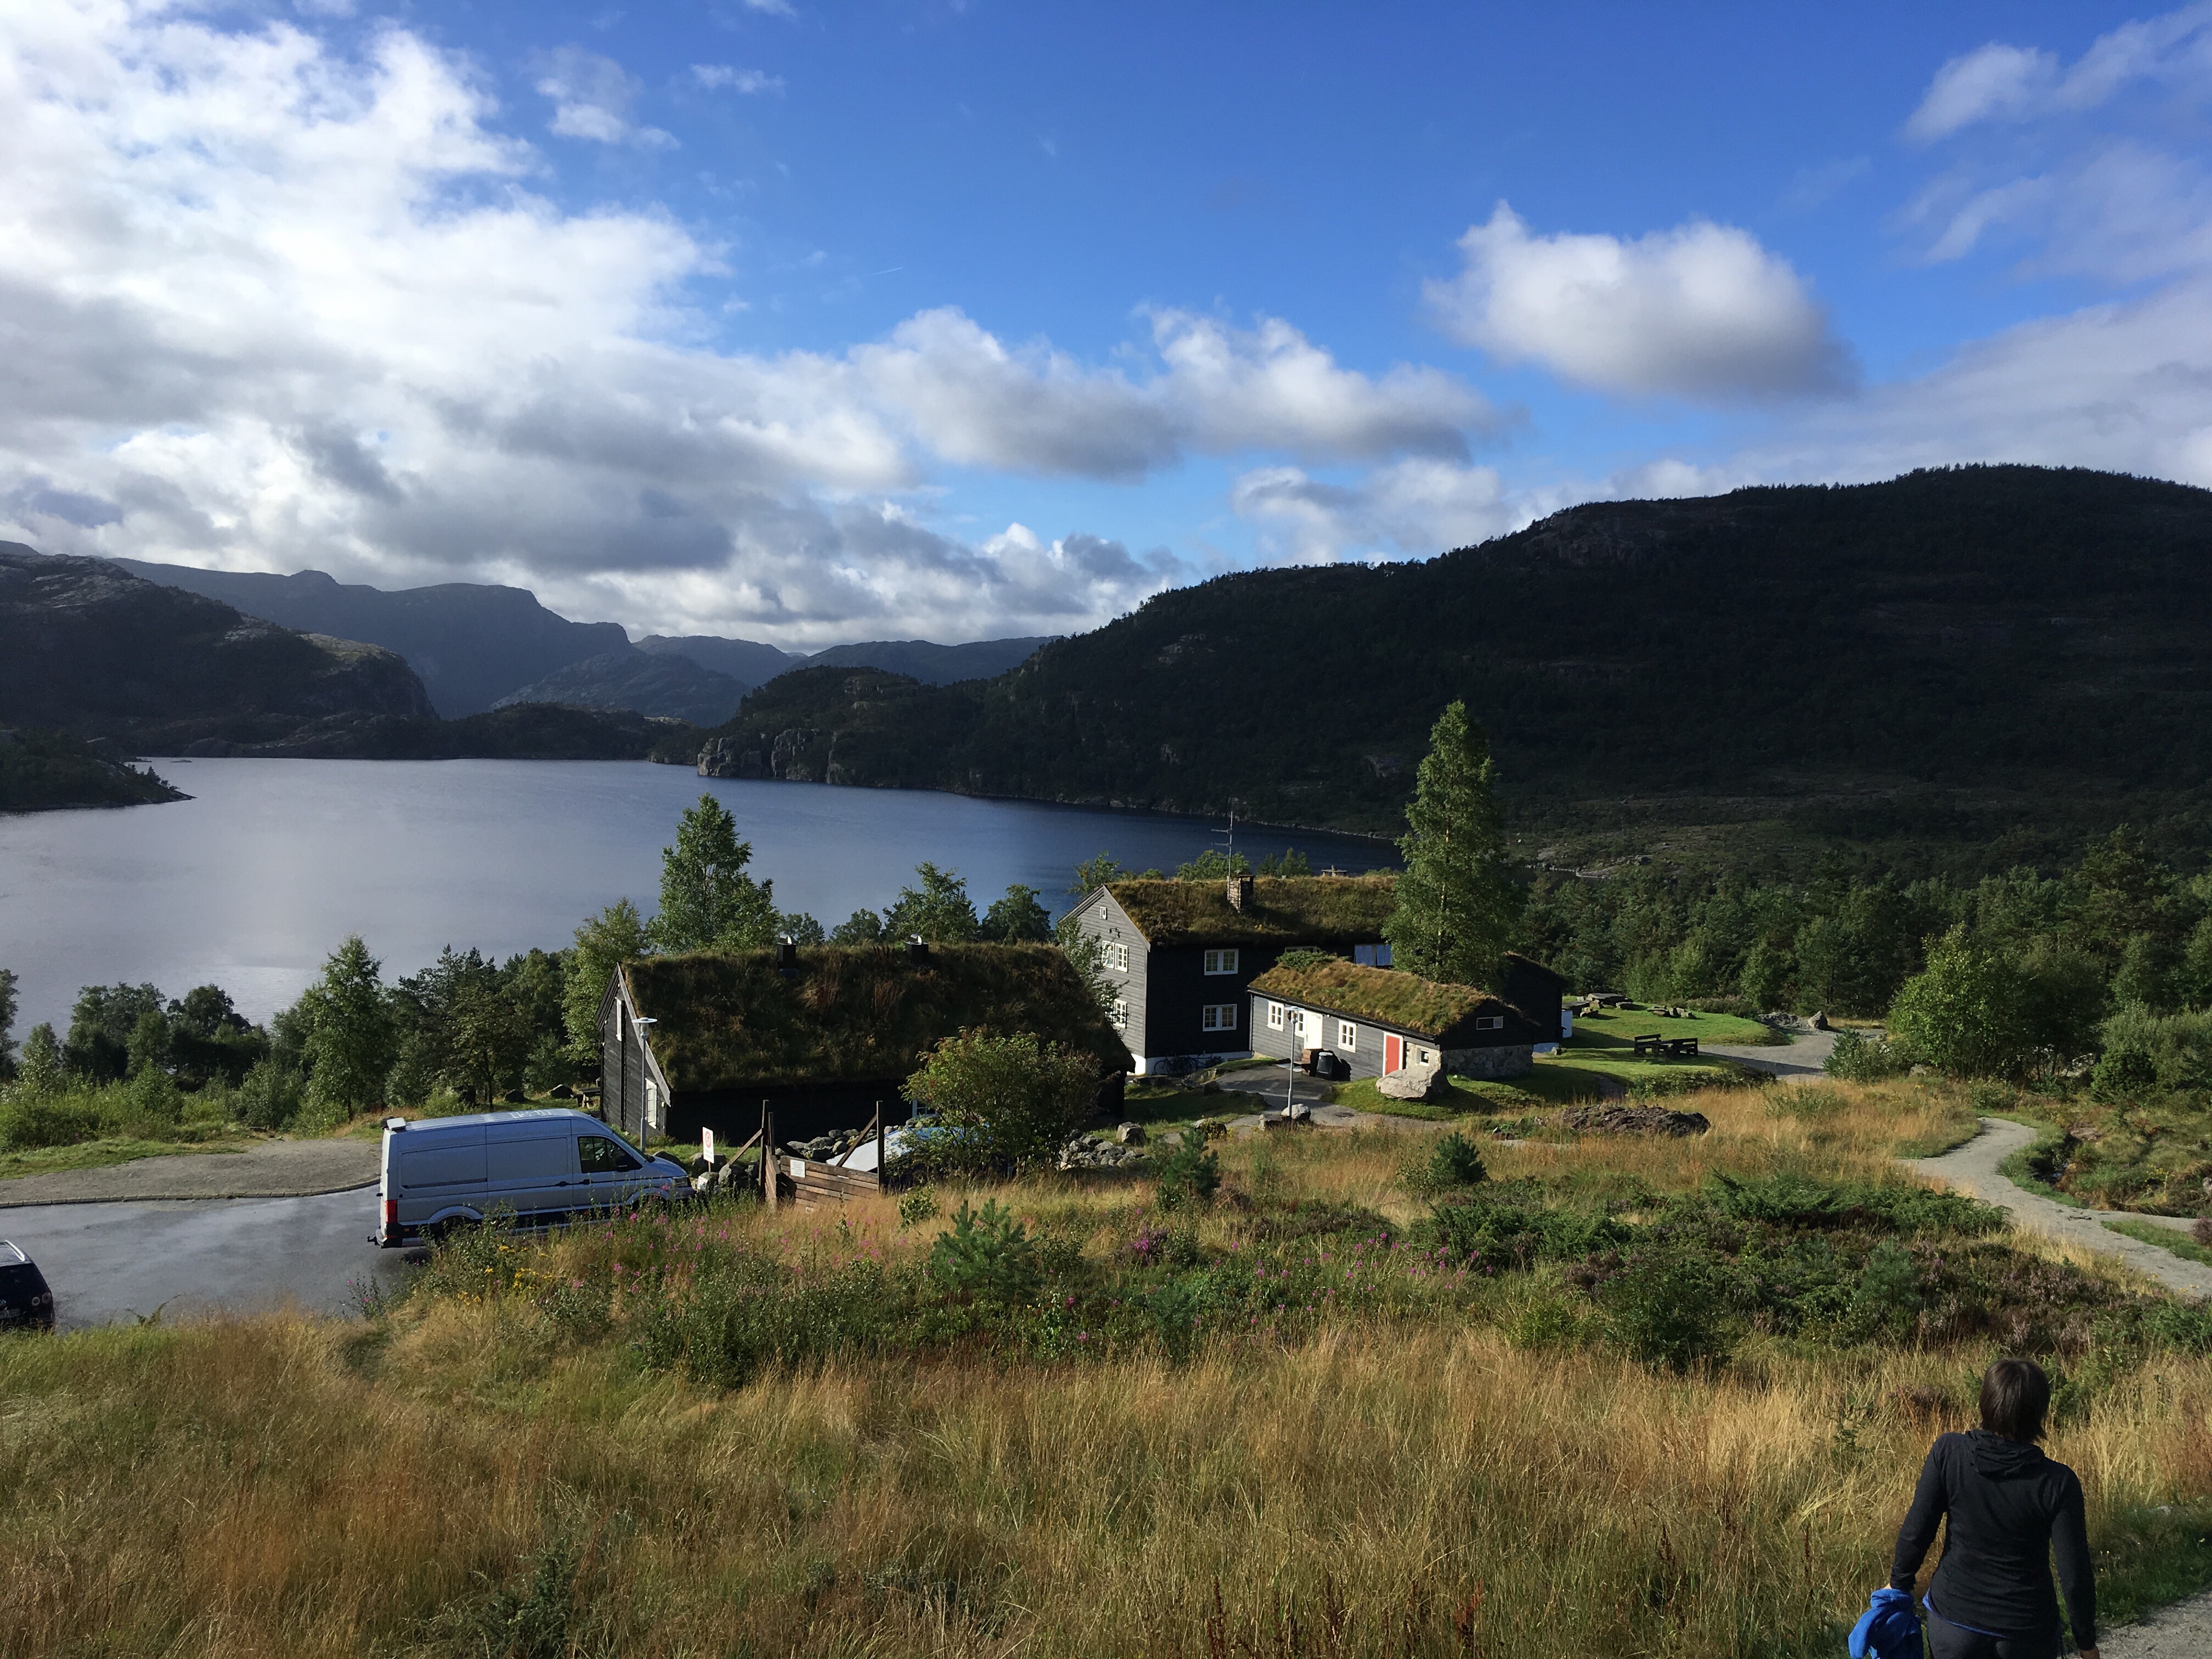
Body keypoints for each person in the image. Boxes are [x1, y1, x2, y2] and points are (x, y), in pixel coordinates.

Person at [1890, 1358, 2098, 1659]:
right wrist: (2086, 1642)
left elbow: (1917, 1531)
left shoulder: (1949, 1452)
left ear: (1986, 1402)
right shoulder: (2058, 1482)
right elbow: (2074, 1574)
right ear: (2040, 1411)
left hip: (1954, 1623)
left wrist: (1899, 1585)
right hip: (2026, 1632)